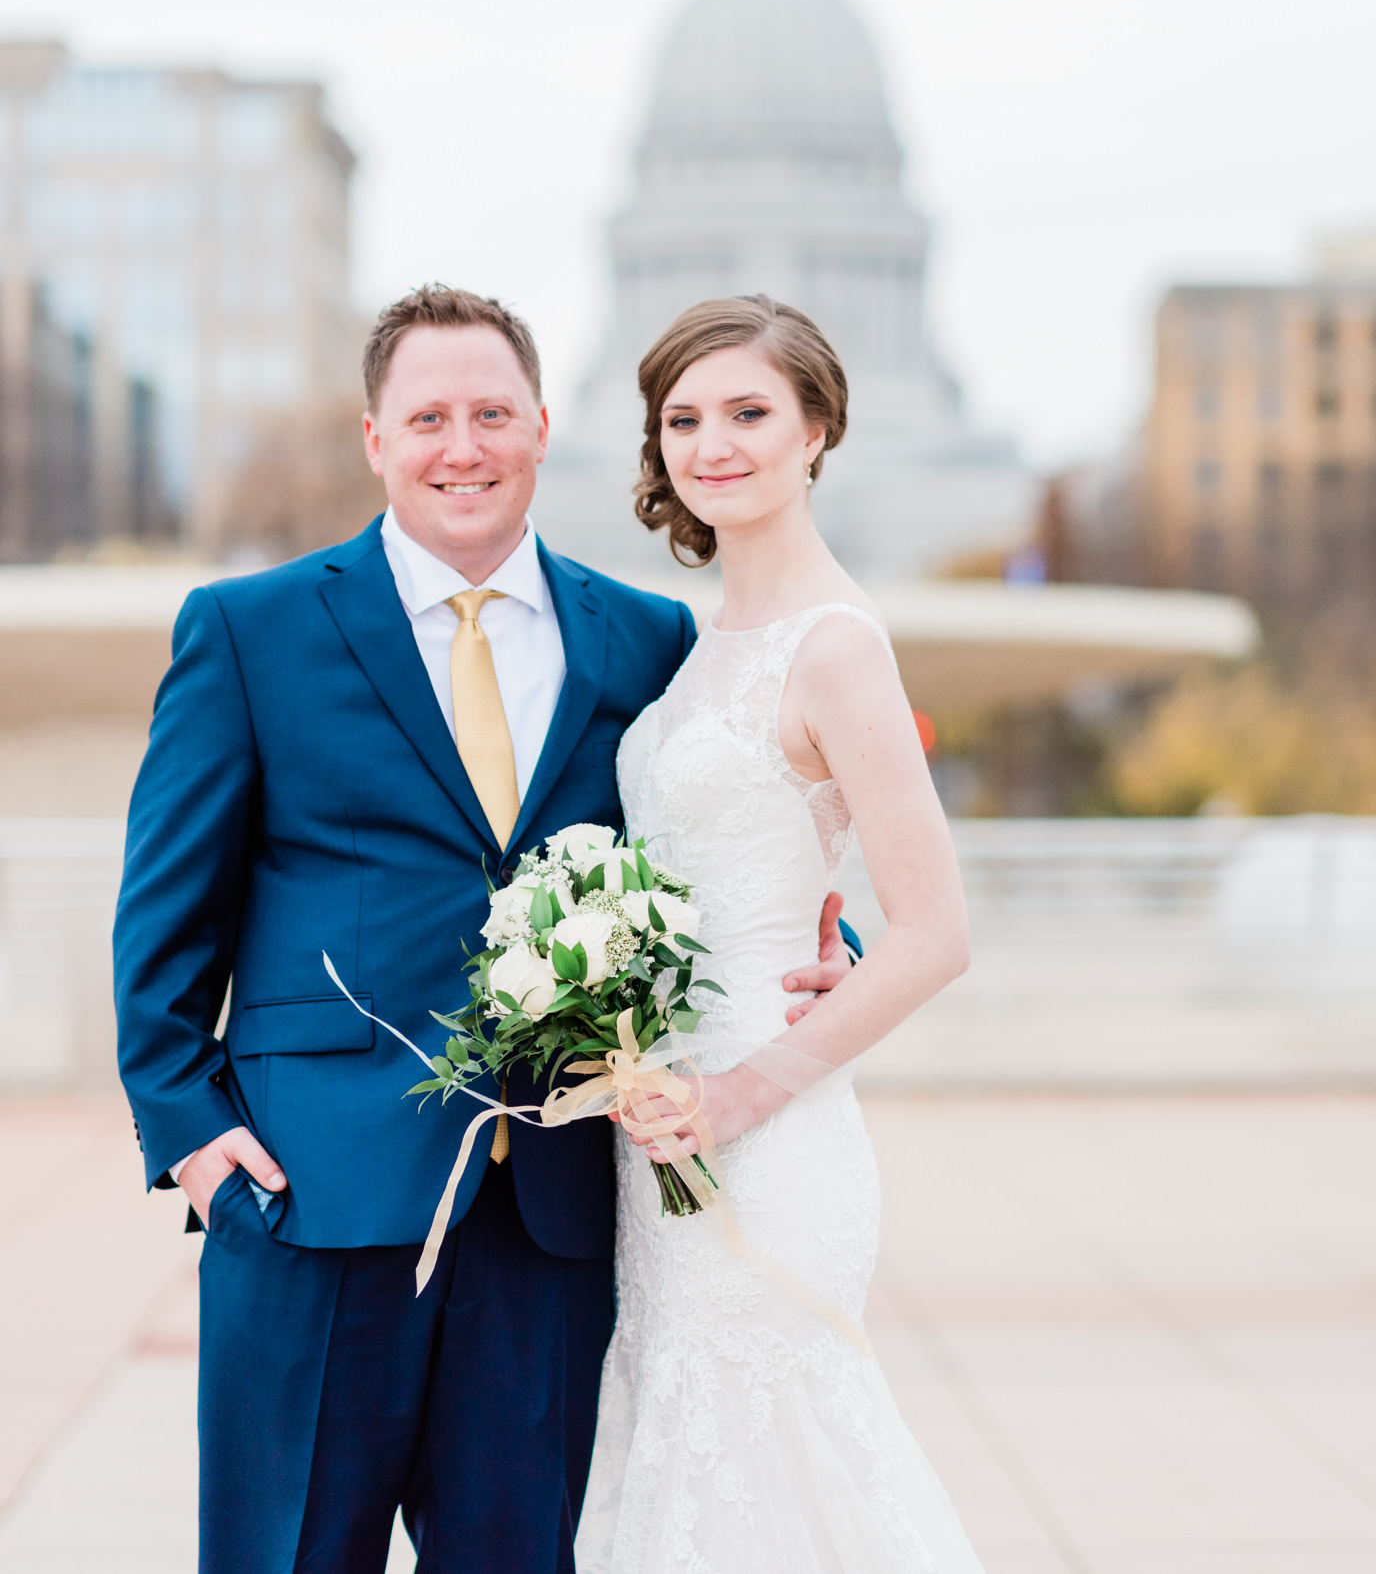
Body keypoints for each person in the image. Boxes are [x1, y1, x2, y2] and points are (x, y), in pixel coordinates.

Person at [112, 285, 853, 1574]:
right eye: (430, 416)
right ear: (375, 439)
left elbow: (712, 819)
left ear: (542, 429)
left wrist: (815, 945)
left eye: (492, 414)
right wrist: (189, 1137)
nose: (464, 445)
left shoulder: (646, 639)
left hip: (550, 1227)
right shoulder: (250, 631)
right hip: (308, 1204)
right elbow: (165, 911)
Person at [576, 294, 986, 1573]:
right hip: (663, 1126)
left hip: (764, 1126)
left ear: (818, 430)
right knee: (684, 1465)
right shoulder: (698, 646)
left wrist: (741, 1095)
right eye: (684, 418)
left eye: (749, 412)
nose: (713, 444)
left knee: (774, 1455)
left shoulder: (838, 646)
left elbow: (936, 932)